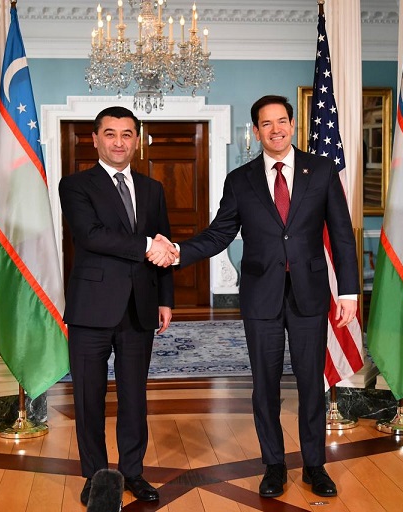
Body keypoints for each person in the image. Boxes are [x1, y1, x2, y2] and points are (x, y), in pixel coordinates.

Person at [157, 95, 358, 498]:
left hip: (310, 294)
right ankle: (274, 465)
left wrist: (349, 291)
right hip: (260, 296)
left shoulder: (320, 170)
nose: (276, 129)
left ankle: (315, 466)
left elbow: (340, 233)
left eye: (282, 121)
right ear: (256, 131)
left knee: (310, 382)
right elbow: (219, 233)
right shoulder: (240, 180)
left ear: (293, 125)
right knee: (265, 384)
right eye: (267, 124)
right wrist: (178, 252)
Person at [59, 106, 176, 506]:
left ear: (136, 140)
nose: (119, 142)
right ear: (95, 139)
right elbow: (91, 235)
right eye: (110, 134)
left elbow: (164, 243)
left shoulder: (152, 188)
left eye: (127, 134)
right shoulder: (76, 185)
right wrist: (146, 245)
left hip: (139, 307)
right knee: (89, 398)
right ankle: (95, 476)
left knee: (134, 398)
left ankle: (133, 472)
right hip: (91, 308)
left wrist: (165, 299)